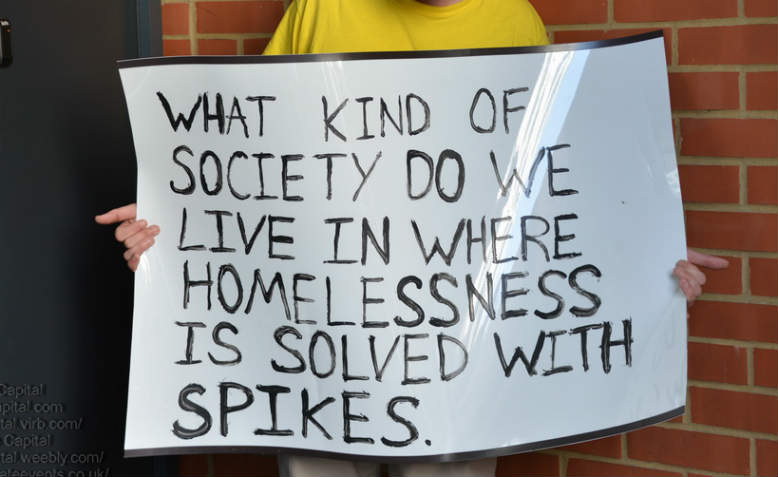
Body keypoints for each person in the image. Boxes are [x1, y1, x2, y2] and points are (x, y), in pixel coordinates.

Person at [96, 0, 728, 475]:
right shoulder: (323, 8)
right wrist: (175, 227)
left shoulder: (514, 20)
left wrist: (637, 247)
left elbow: (543, 178)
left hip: (459, 353)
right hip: (324, 346)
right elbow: (257, 159)